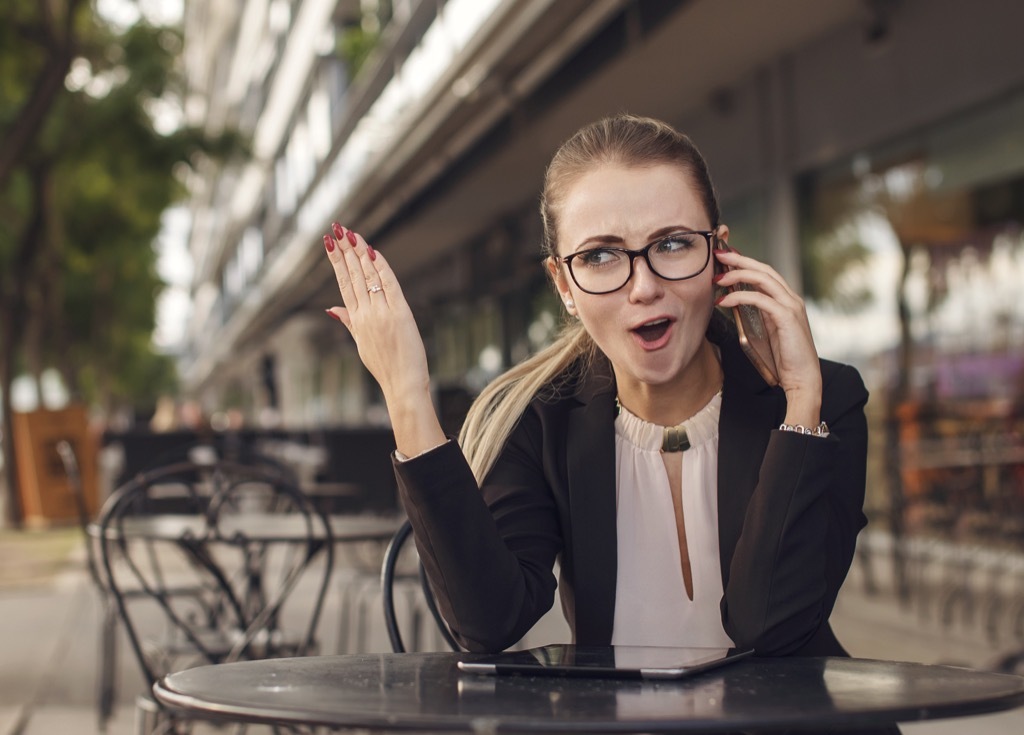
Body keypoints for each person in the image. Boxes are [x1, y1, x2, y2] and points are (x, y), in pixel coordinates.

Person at [320, 114, 869, 659]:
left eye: (674, 244)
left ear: (720, 256)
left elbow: (771, 628)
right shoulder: (538, 419)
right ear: (563, 283)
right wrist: (407, 393)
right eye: (600, 257)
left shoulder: (823, 404)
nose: (645, 287)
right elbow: (486, 622)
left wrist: (800, 402)